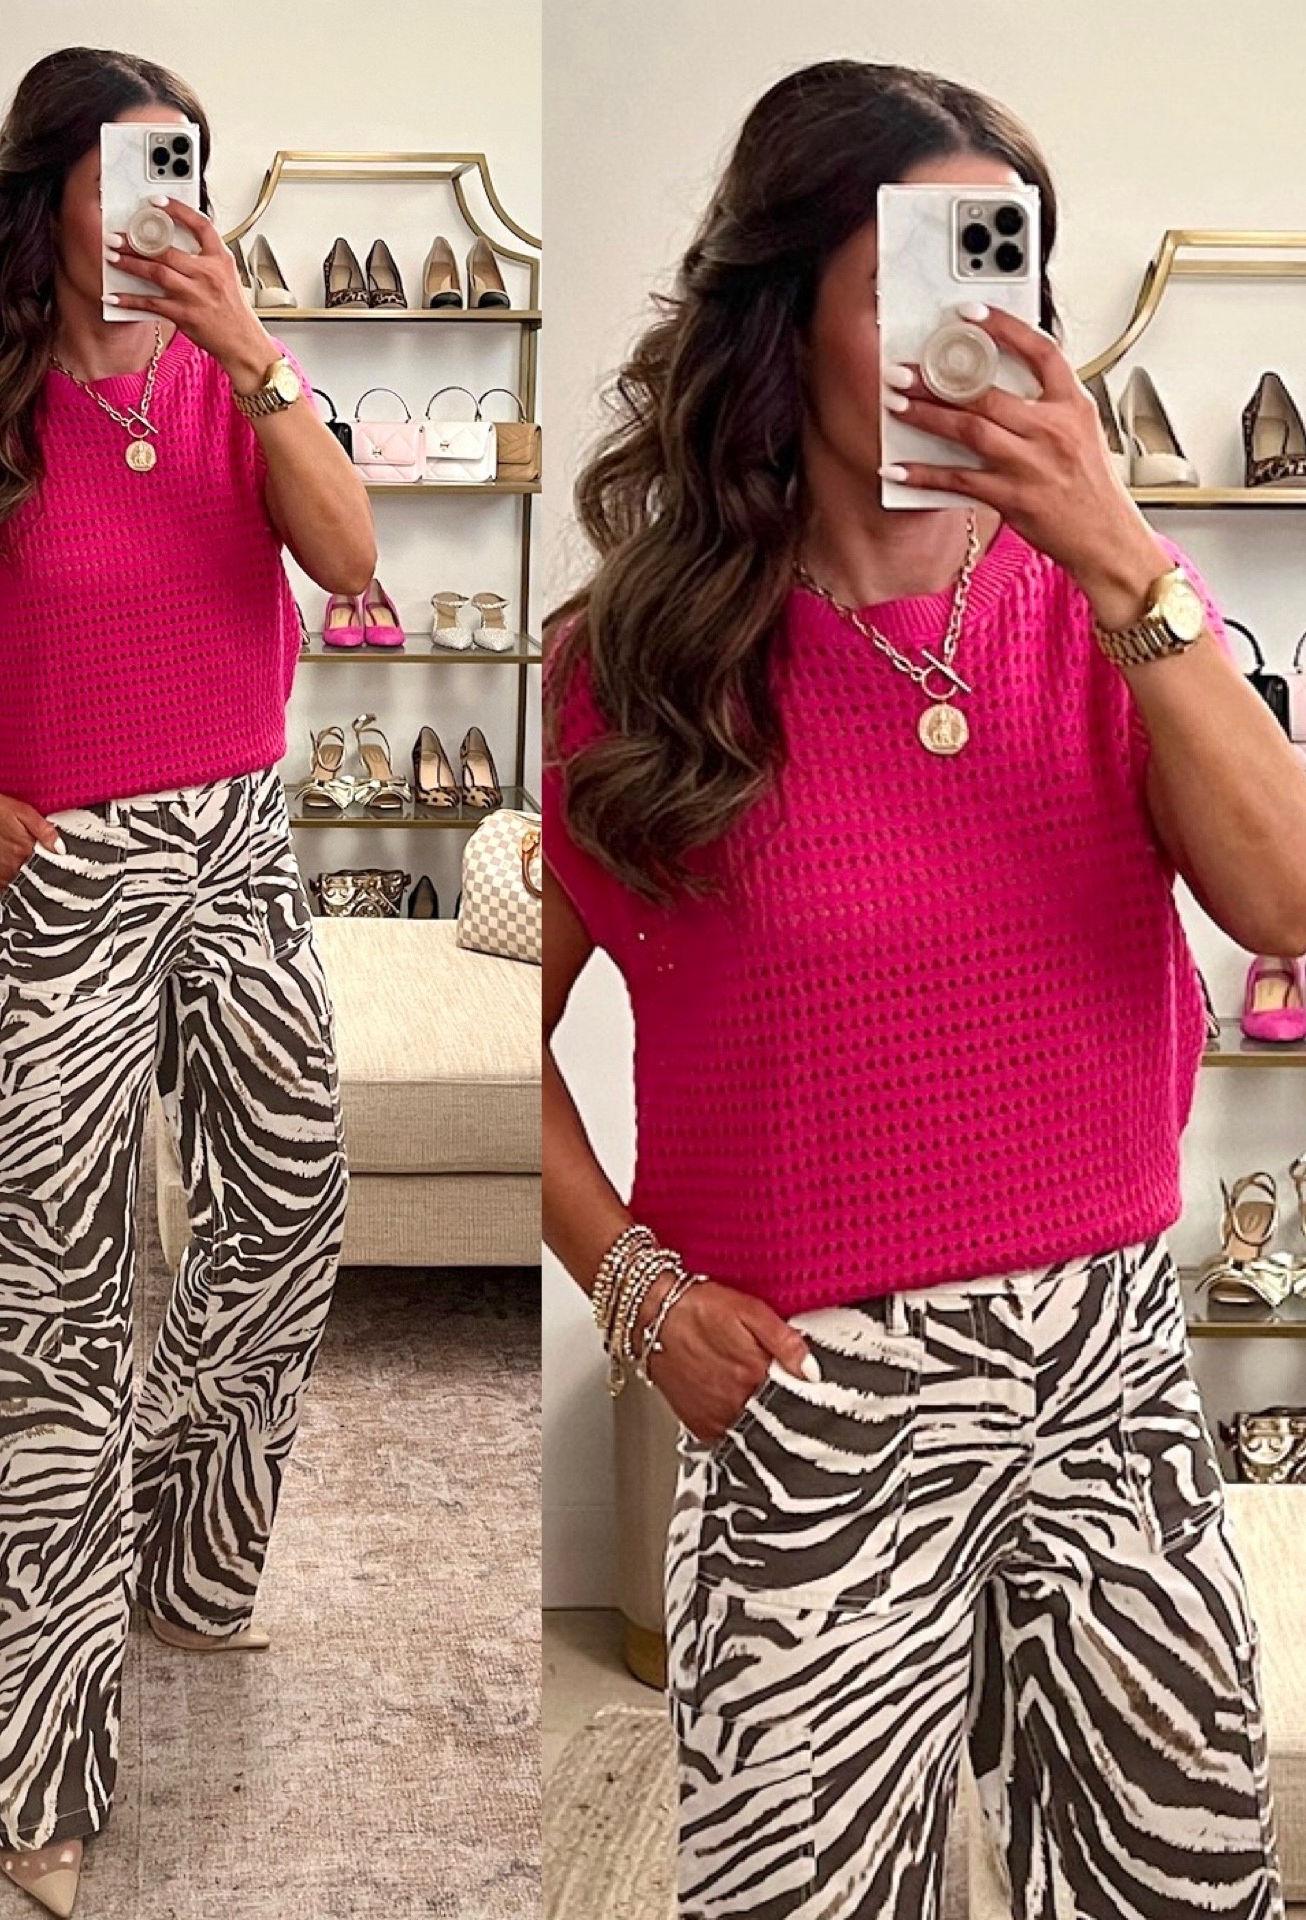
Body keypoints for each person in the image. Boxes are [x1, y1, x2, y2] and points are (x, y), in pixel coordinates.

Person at [541, 58, 1305, 1920]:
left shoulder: (1117, 614)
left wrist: (1120, 555)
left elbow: (1286, 899)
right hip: (817, 1406)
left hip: (1114, 1383)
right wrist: (635, 1290)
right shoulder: (637, 666)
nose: (975, 329)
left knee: (1177, 1884)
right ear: (782, 313)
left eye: (1006, 270)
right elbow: (514, 1042)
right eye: (913, 278)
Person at [0, 46, 373, 1918]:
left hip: (243, 850)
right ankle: (32, 1757)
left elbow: (352, 561)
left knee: (292, 1217)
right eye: (131, 170)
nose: (164, 204)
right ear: (46, 196)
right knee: (55, 1304)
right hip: (60, 874)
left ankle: (182, 1562)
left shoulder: (244, 384)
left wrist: (252, 350)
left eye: (187, 169)